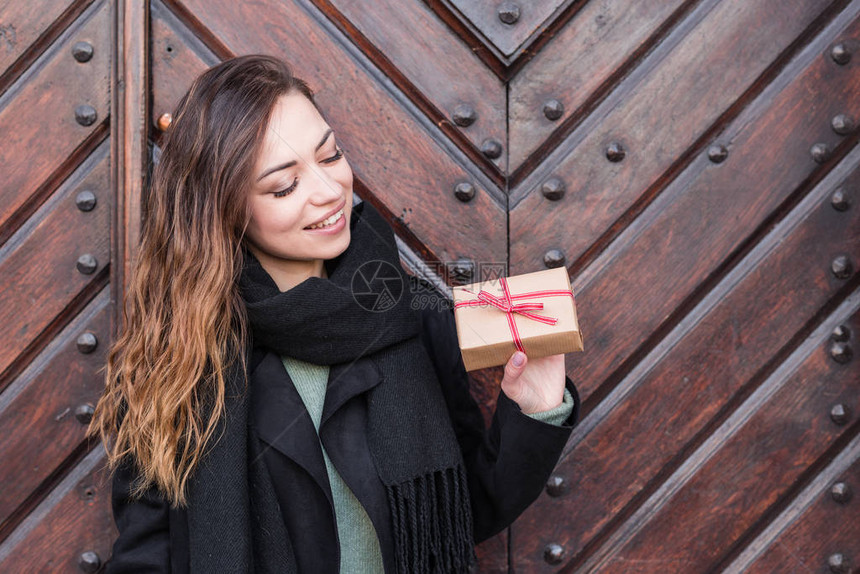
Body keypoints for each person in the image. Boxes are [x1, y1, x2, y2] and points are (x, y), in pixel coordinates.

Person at [89, 54, 581, 573]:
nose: (328, 193)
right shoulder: (178, 357)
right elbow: (148, 555)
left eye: (330, 157)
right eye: (284, 185)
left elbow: (460, 514)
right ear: (225, 209)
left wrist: (536, 407)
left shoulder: (412, 311)